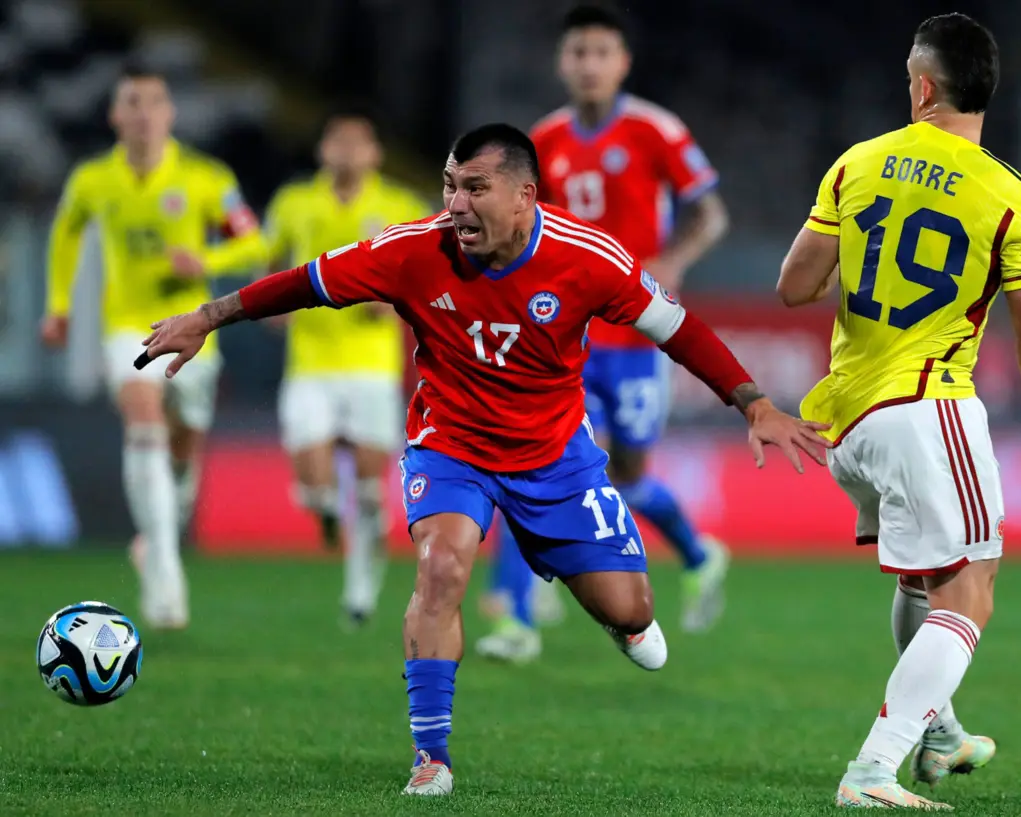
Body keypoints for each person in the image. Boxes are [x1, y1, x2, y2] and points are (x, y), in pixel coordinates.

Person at [136, 123, 831, 796]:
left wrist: (754, 403)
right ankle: (430, 757)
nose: (456, 205)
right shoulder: (413, 250)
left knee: (633, 611)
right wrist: (206, 316)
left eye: (475, 187)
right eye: (448, 186)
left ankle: (590, 586)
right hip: (452, 446)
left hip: (556, 457)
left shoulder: (589, 257)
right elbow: (302, 282)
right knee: (440, 569)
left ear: (525, 195)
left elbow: (677, 329)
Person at [778, 14, 1021, 809]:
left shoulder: (857, 163)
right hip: (926, 404)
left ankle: (940, 731)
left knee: (930, 577)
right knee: (972, 584)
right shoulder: (1013, 200)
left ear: (925, 87)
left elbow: (795, 287)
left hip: (848, 421)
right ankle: (871, 772)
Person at [479, 4, 733, 663]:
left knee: (628, 474)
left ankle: (701, 552)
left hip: (638, 332)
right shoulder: (543, 140)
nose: (588, 64)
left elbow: (710, 213)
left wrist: (671, 262)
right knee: (535, 456)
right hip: (565, 333)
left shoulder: (655, 130)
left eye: (601, 52)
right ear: (562, 62)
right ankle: (514, 615)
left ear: (622, 62)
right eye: (577, 52)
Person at [41, 64, 265, 630]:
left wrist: (205, 262)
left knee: (183, 450)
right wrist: (59, 306)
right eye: (131, 103)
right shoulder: (93, 180)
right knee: (143, 421)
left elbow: (254, 242)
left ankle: (162, 528)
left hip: (190, 328)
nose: (143, 113)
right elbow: (66, 235)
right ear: (116, 115)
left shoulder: (205, 178)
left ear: (170, 114)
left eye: (153, 103)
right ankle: (165, 572)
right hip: (126, 326)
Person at [263, 110, 430, 626]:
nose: (348, 151)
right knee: (311, 481)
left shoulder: (399, 205)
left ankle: (360, 593)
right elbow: (267, 264)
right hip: (310, 363)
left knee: (368, 486)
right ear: (323, 150)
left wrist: (399, 301)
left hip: (371, 367)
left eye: (359, 143)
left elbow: (429, 269)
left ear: (375, 153)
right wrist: (275, 305)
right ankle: (325, 513)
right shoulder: (293, 203)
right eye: (339, 141)